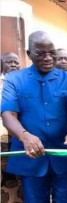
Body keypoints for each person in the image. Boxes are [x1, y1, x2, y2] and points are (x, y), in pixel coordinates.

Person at [1, 31, 67, 202]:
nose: (48, 58)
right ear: (29, 54)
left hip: (64, 154)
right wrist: (24, 136)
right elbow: (8, 114)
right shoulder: (14, 79)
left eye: (51, 52)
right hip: (31, 157)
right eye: (40, 53)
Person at [1, 52, 23, 203]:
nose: (14, 65)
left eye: (16, 62)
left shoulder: (23, 81)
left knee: (19, 176)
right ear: (2, 65)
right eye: (10, 62)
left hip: (18, 135)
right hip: (2, 137)